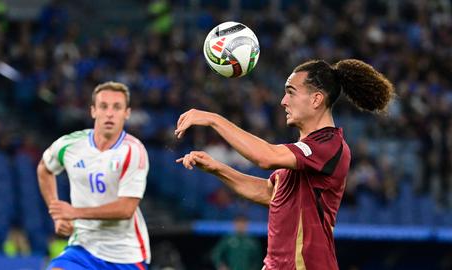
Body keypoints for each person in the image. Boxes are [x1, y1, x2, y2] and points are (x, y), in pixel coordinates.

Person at [175, 59, 394, 270]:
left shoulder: (329, 144)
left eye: (291, 92)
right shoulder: (302, 152)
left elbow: (265, 157)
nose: (283, 101)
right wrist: (218, 168)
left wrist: (215, 120)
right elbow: (270, 194)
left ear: (316, 99)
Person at [37, 81, 151, 270]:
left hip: (125, 256)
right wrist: (58, 214)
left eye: (117, 107)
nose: (109, 113)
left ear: (127, 113)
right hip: (83, 248)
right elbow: (44, 168)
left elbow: (126, 209)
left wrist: (74, 213)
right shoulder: (70, 144)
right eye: (103, 106)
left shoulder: (133, 150)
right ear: (93, 111)